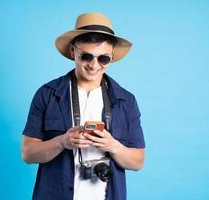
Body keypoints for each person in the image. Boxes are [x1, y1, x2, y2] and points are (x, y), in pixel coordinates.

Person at [21, 13, 145, 200]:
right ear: (73, 51)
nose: (94, 65)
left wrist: (113, 146)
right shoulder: (47, 94)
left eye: (103, 59)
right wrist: (62, 142)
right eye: (87, 56)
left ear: (111, 56)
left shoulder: (126, 101)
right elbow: (28, 153)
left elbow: (137, 161)